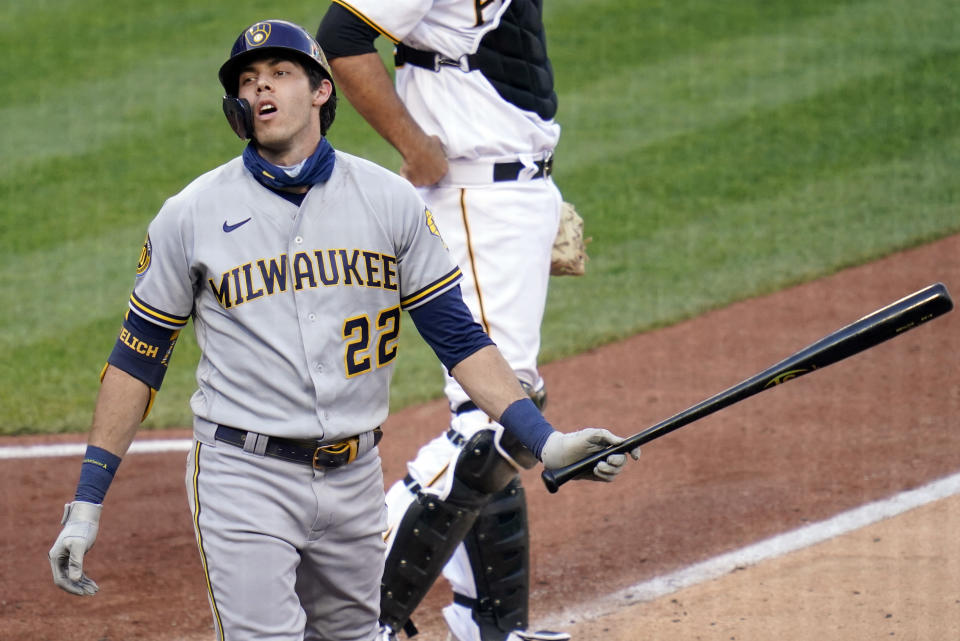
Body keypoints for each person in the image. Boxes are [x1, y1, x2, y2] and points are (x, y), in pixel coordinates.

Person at [47, 19, 638, 641]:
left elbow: (460, 340)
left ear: (321, 91)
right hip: (244, 477)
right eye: (247, 81)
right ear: (235, 107)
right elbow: (136, 362)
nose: (261, 89)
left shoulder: (390, 203)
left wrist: (545, 442)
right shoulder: (190, 215)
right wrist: (86, 503)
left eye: (279, 74)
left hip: (355, 480)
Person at [314, 3, 620, 641]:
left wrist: (537, 193)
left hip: (510, 192)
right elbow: (341, 35)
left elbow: (503, 51)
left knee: (510, 409)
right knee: (493, 424)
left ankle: (492, 625)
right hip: (477, 196)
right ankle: (348, 617)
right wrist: (415, 145)